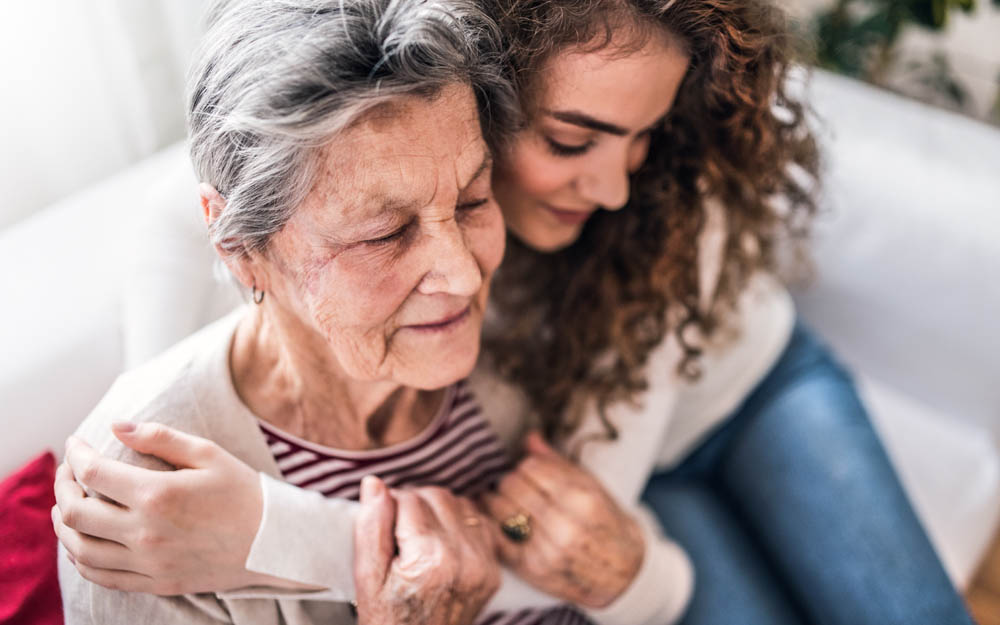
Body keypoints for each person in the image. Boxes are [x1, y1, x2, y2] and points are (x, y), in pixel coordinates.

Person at [54, 0, 976, 623]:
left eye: (646, 136)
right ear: (486, 95)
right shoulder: (377, 136)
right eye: (571, 138)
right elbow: (191, 243)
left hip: (739, 391)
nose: (616, 186)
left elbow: (581, 537)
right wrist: (170, 462)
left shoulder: (661, 222)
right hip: (603, 475)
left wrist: (269, 527)